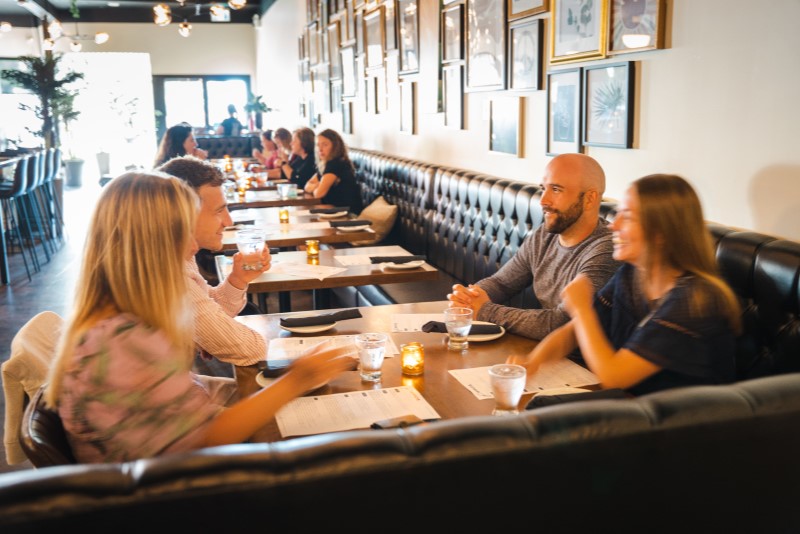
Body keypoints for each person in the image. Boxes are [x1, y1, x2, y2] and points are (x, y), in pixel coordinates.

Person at [44, 173, 356, 463]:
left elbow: (174, 400)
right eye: (183, 232)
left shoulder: (115, 316)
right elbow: (207, 440)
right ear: (150, 241)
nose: (193, 246)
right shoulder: (123, 340)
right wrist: (297, 379)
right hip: (174, 499)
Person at [510, 174, 741, 396]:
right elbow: (573, 332)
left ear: (662, 232)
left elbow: (614, 377)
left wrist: (581, 309)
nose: (614, 225)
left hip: (688, 426)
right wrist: (532, 362)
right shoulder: (632, 274)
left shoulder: (694, 300)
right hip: (638, 409)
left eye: (627, 217)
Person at [447, 153, 620, 340]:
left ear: (589, 199)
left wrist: (484, 310)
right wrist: (469, 298)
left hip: (580, 365)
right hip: (543, 352)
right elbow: (502, 283)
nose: (543, 200)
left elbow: (561, 323)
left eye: (556, 189)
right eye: (543, 189)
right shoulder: (544, 235)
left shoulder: (606, 250)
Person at [156, 155, 270, 368]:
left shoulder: (180, 256)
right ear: (183, 213)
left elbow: (210, 310)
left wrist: (238, 279)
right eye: (219, 210)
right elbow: (250, 349)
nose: (228, 221)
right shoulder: (168, 273)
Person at [304, 128, 362, 213]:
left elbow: (318, 194)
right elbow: (307, 186)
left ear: (335, 147)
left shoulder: (336, 163)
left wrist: (317, 187)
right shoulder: (325, 164)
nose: (320, 149)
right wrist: (318, 186)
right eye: (318, 145)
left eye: (325, 145)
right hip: (335, 210)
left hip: (348, 214)